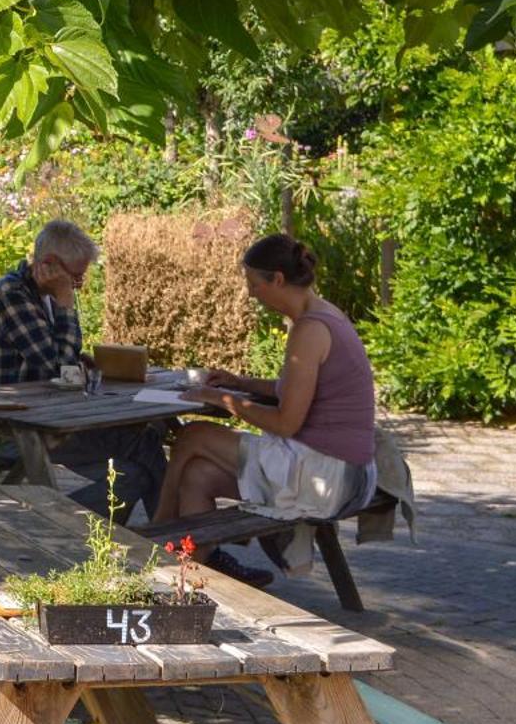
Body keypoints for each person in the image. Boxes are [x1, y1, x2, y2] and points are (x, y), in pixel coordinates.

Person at [154, 234, 378, 588]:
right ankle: (187, 578)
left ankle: (154, 537)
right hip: (344, 472)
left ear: (277, 279)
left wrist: (222, 399)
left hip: (329, 476)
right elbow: (293, 390)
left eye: (254, 284)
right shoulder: (324, 314)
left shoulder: (310, 330)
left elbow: (287, 422)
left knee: (192, 435)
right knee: (196, 475)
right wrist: (239, 383)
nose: (251, 293)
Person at [0, 220, 167, 520]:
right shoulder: (11, 294)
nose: (77, 286)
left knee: (133, 472)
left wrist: (80, 359)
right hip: (16, 427)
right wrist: (66, 304)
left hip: (49, 419)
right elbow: (57, 367)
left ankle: (172, 544)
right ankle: (188, 549)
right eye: (76, 278)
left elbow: (60, 358)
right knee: (143, 444)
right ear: (49, 265)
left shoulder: (44, 295)